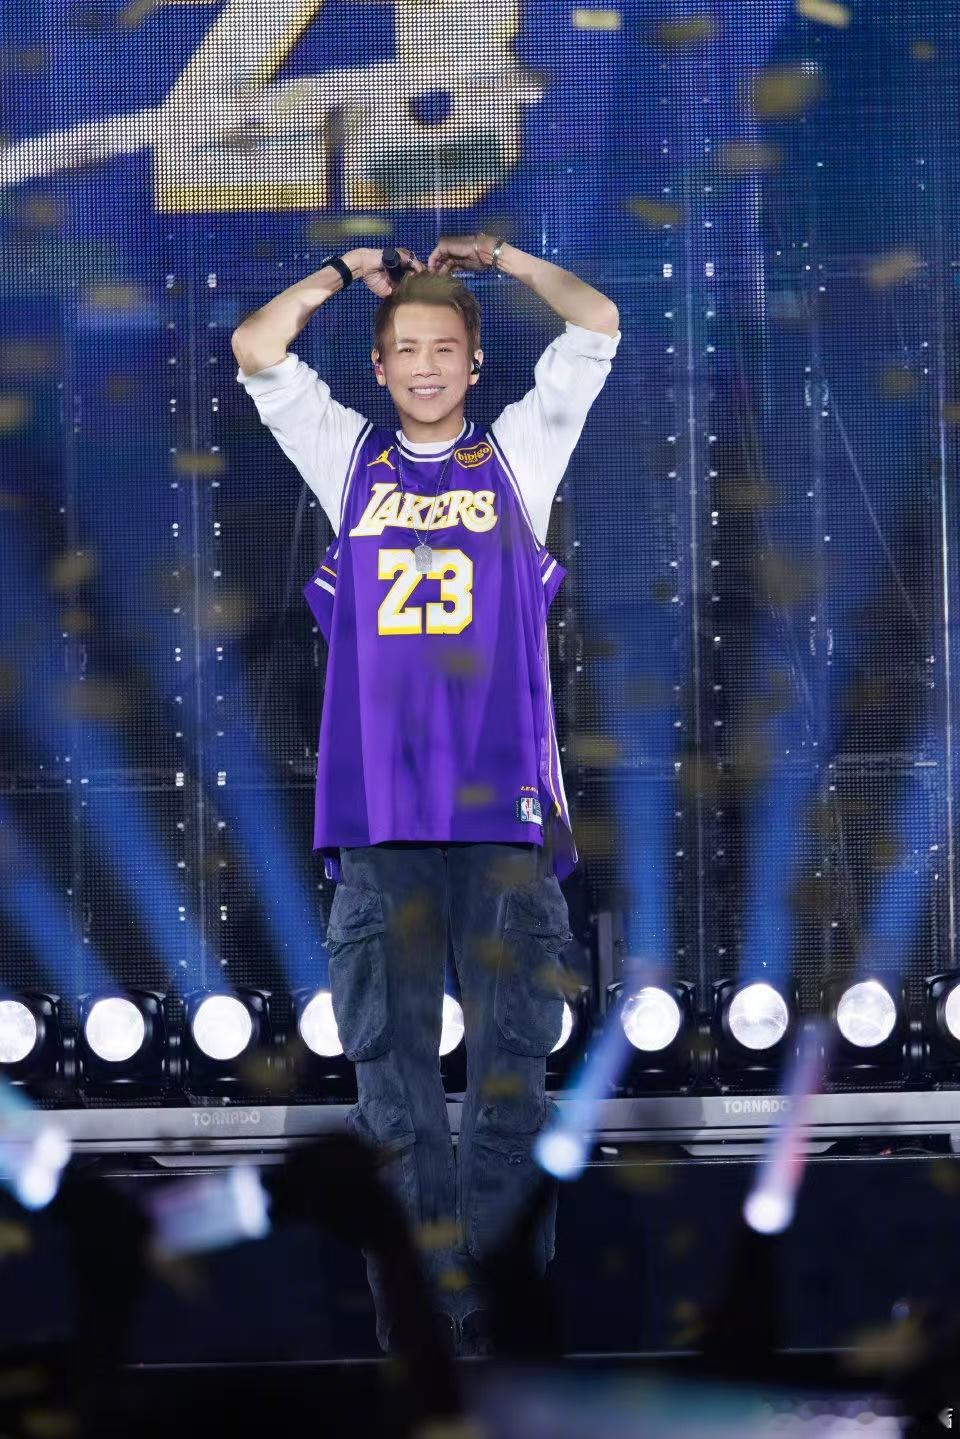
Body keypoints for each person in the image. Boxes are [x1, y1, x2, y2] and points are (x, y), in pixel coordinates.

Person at [232, 234, 619, 1355]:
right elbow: (256, 346)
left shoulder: (519, 455)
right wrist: (341, 271)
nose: (426, 367)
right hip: (380, 814)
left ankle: (500, 1317)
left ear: (475, 361)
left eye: (445, 349)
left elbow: (596, 321)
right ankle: (419, 1321)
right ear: (381, 366)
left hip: (500, 814)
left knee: (510, 1080)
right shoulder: (347, 456)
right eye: (406, 350)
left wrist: (503, 259)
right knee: (392, 1089)